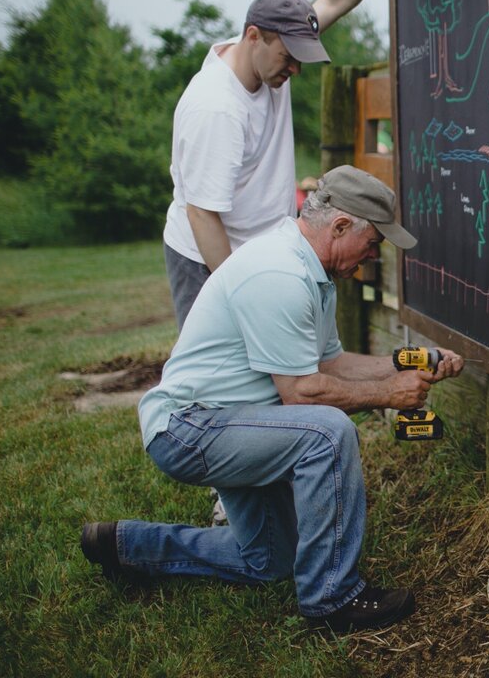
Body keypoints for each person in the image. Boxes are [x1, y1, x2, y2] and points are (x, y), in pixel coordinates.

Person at [81, 166, 464, 632]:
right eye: (373, 242)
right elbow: (302, 393)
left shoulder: (310, 271)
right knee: (327, 432)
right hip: (190, 429)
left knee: (270, 559)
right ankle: (333, 599)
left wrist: (410, 363)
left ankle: (128, 546)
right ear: (340, 226)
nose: (373, 255)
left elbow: (329, 365)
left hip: (232, 422)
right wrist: (390, 394)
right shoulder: (280, 274)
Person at [162, 0, 436, 332]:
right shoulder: (216, 108)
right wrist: (241, 291)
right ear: (254, 36)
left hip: (264, 250)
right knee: (224, 373)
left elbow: (335, 0)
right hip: (210, 261)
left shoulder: (272, 46)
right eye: (289, 59)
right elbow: (202, 214)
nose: (295, 71)